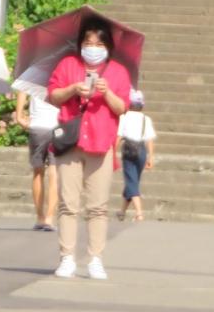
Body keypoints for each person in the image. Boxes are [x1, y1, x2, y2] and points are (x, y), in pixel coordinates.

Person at [48, 19, 132, 281]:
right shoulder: (68, 65)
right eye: (88, 43)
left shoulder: (117, 71)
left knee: (98, 206)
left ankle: (96, 258)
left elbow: (122, 107)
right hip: (71, 142)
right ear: (80, 44)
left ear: (107, 46)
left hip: (101, 142)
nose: (92, 48)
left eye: (98, 43)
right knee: (68, 204)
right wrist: (73, 89)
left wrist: (106, 93)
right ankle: (67, 257)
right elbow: (53, 96)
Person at [15, 87, 59, 231]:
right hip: (57, 126)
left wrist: (19, 115)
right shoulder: (61, 75)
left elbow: (22, 90)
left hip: (37, 126)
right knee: (55, 173)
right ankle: (49, 218)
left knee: (38, 172)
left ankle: (40, 217)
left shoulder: (35, 75)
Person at [115, 89, 156, 223]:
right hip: (141, 151)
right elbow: (149, 139)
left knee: (131, 181)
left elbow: (119, 136)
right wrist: (150, 157)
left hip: (128, 150)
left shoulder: (124, 117)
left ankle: (139, 213)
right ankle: (122, 212)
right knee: (133, 181)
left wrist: (113, 152)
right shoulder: (146, 119)